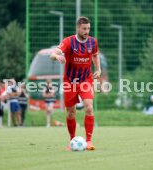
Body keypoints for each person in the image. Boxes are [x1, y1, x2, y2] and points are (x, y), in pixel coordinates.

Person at [50, 16, 101, 150]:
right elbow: (53, 54)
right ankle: (72, 140)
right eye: (84, 29)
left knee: (89, 107)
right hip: (70, 81)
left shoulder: (92, 42)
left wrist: (99, 69)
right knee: (71, 112)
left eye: (88, 28)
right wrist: (58, 56)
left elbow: (95, 55)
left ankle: (89, 141)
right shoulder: (68, 42)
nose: (86, 31)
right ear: (78, 28)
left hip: (86, 80)